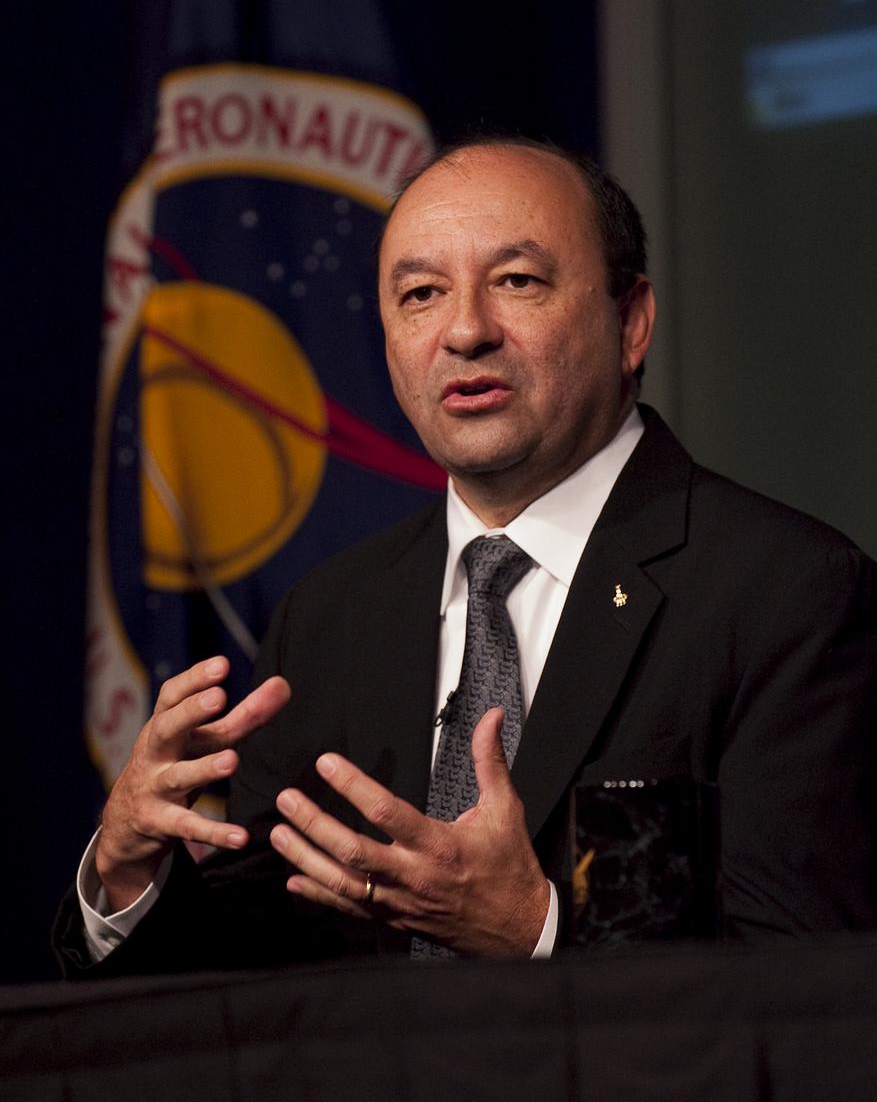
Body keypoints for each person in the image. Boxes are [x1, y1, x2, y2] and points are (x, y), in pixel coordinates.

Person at [55, 138, 877, 976]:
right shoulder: (329, 616)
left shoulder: (786, 591)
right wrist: (126, 874)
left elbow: (812, 983)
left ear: (629, 322)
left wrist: (536, 931)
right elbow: (262, 979)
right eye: (420, 294)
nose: (465, 331)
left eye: (516, 281)